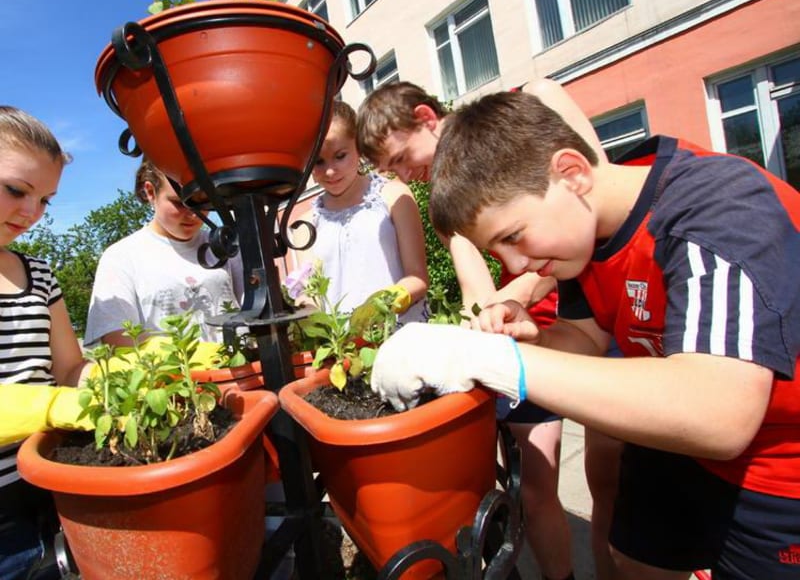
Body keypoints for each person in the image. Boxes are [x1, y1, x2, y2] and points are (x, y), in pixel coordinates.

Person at [370, 91, 800, 580]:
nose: (516, 266)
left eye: (512, 237)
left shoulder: (716, 207)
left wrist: (485, 359)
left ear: (572, 173)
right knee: (633, 561)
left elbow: (719, 413)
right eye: (498, 251)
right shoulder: (584, 238)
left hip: (777, 471)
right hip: (674, 445)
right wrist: (527, 341)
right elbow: (584, 336)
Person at [357, 79, 607, 580]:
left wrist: (516, 295)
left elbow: (593, 215)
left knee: (609, 475)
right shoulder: (446, 205)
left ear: (426, 117)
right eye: (391, 171)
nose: (405, 175)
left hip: (596, 317)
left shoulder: (528, 105)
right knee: (533, 488)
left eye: (401, 158)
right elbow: (478, 291)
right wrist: (483, 324)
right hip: (534, 341)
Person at [0, 106, 89, 580]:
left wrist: (115, 380)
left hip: (51, 486)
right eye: (16, 190)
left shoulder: (38, 274)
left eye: (46, 201)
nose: (31, 213)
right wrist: (52, 405)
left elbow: (70, 369)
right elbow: (55, 399)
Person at [84, 158, 244, 347]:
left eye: (202, 201)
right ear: (150, 192)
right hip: (170, 367)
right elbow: (118, 339)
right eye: (180, 202)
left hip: (244, 363)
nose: (194, 214)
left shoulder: (226, 244)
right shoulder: (121, 257)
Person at [296, 100, 428, 324]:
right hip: (341, 343)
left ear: (358, 146)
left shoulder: (394, 196)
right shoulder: (304, 226)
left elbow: (418, 276)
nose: (330, 171)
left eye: (340, 156)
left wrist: (382, 305)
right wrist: (307, 319)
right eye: (318, 162)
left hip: (401, 334)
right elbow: (307, 294)